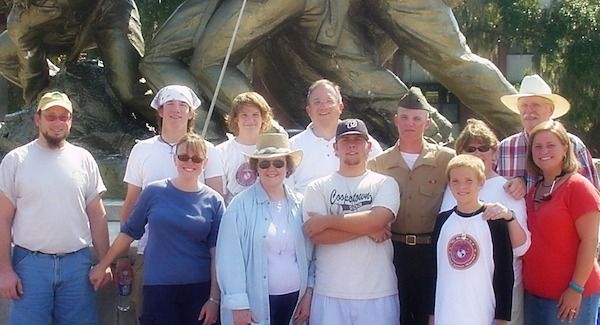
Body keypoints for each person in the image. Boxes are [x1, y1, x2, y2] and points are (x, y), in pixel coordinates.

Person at [0, 91, 110, 324]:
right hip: (30, 266)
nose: (58, 123)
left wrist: (104, 262)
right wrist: (5, 271)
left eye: (64, 117)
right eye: (51, 117)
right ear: (37, 119)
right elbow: (3, 219)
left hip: (77, 267)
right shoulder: (15, 160)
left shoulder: (84, 159)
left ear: (71, 120)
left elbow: (98, 216)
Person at [90, 133, 223, 324]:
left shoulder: (214, 201)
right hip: (158, 287)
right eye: (183, 157)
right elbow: (128, 233)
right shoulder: (153, 192)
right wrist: (103, 266)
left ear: (205, 162)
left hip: (199, 288)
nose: (189, 162)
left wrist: (214, 299)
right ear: (174, 159)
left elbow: (217, 253)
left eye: (196, 158)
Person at [118, 85, 224, 320]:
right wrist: (123, 256)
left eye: (182, 105)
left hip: (198, 264)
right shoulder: (141, 150)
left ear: (190, 113)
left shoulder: (210, 152)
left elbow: (218, 207)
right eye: (170, 104)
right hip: (150, 258)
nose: (176, 110)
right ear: (160, 111)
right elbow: (130, 205)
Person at [367, 87, 454, 325]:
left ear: (426, 124)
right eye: (404, 117)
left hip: (431, 251)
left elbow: (475, 181)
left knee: (430, 314)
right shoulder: (378, 164)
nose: (410, 123)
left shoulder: (446, 160)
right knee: (397, 313)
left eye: (417, 119)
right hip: (392, 250)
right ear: (396, 120)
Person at [303, 118, 400, 325]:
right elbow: (317, 235)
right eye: (346, 141)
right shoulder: (317, 187)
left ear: (369, 146)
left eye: (358, 140)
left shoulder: (385, 183)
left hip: (378, 292)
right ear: (335, 148)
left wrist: (327, 220)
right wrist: (367, 227)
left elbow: (378, 219)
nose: (352, 145)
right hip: (330, 291)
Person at [440, 119, 530, 325]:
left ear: (495, 153)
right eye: (470, 148)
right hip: (459, 291)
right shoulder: (452, 189)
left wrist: (508, 217)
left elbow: (522, 247)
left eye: (484, 148)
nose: (478, 153)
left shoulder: (508, 189)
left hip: (500, 289)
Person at [216, 133, 312, 325]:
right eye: (264, 164)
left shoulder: (301, 204)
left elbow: (313, 256)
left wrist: (308, 294)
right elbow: (228, 259)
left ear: (288, 168)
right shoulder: (239, 206)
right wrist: (238, 305)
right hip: (254, 306)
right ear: (256, 168)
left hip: (294, 302)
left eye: (278, 163)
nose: (271, 169)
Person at [0, 0, 151, 121]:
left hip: (109, 11)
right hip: (61, 35)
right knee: (4, 52)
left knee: (128, 90)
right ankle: (63, 93)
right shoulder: (21, 19)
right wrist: (40, 104)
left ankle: (167, 124)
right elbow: (33, 73)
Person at [522, 120, 600, 324]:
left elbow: (590, 241)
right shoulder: (533, 191)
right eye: (537, 147)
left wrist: (576, 288)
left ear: (565, 148)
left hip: (569, 299)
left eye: (551, 145)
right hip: (533, 298)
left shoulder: (578, 187)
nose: (543, 151)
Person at [428, 154, 513, 325]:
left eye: (468, 180)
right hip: (446, 312)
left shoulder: (494, 221)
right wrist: (431, 315)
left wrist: (502, 318)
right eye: (455, 181)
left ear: (481, 182)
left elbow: (504, 272)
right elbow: (433, 270)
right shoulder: (443, 220)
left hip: (482, 312)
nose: (462, 187)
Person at [497, 74, 599, 198]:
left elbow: (593, 197)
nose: (529, 111)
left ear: (550, 109)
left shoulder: (573, 145)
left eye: (535, 105)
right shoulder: (504, 148)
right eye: (524, 105)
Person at [289, 79, 383, 193]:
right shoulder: (291, 147)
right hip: (306, 210)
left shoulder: (365, 144)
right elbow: (286, 193)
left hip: (355, 209)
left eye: (329, 101)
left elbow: (380, 184)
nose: (323, 106)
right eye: (317, 102)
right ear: (308, 110)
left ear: (341, 107)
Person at [216, 92, 274, 204]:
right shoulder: (221, 152)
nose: (250, 120)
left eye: (255, 115)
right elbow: (219, 195)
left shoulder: (273, 150)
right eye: (244, 115)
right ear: (236, 119)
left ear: (263, 118)